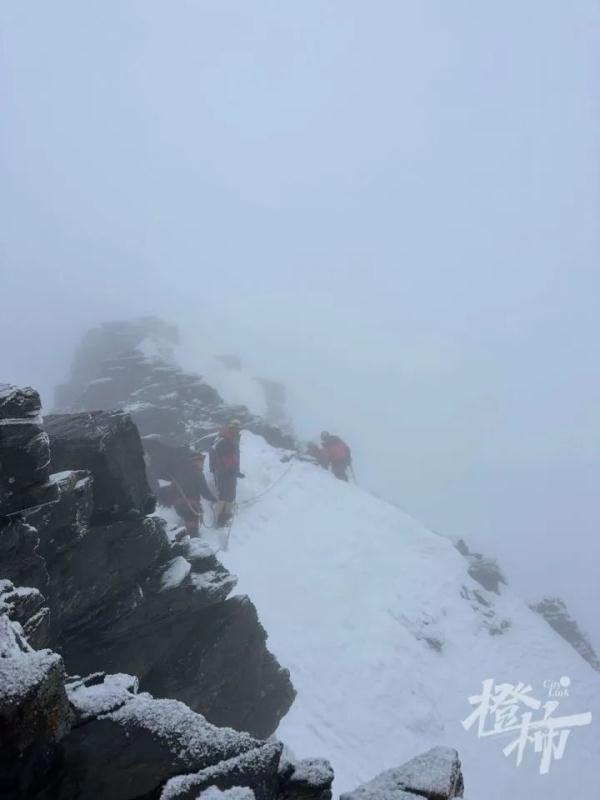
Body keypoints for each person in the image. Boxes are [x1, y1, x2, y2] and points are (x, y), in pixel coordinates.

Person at [210, 418, 244, 527]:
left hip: (229, 472)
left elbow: (233, 457)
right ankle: (221, 519)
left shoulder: (230, 439)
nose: (237, 431)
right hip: (223, 472)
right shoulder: (223, 439)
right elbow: (222, 456)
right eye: (235, 428)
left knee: (229, 495)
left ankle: (225, 517)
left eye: (238, 429)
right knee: (225, 495)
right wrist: (229, 468)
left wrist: (236, 470)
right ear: (230, 428)